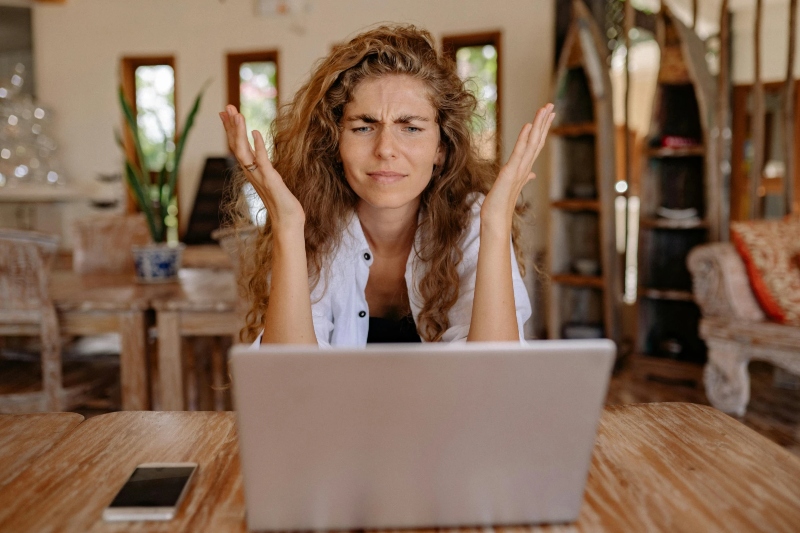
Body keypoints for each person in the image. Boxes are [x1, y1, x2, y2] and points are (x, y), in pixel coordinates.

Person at [220, 24, 554, 347]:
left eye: (410, 128)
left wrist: (496, 223)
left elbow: (493, 380)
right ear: (335, 143)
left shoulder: (471, 219)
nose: (385, 149)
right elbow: (288, 383)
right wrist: (288, 226)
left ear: (441, 147)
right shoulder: (311, 224)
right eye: (364, 127)